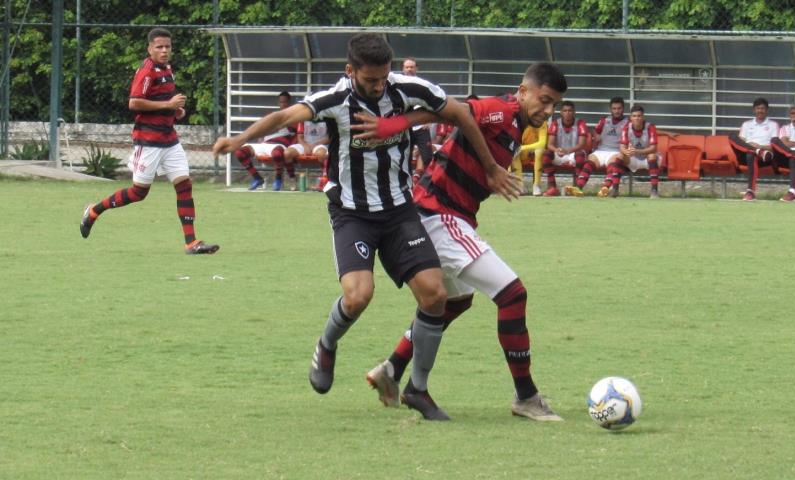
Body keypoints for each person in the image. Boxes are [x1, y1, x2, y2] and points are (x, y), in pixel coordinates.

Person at [212, 33, 520, 420]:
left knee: (435, 295)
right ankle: (326, 344)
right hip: (352, 213)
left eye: (382, 78)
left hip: (399, 212)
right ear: (350, 71)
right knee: (358, 296)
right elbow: (283, 117)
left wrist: (491, 166)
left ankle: (418, 390)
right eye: (369, 79)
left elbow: (458, 112)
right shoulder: (336, 100)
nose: (378, 86)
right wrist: (239, 138)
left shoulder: (406, 88)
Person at [360, 62, 568, 421]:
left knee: (455, 302)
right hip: (438, 214)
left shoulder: (518, 124)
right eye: (544, 100)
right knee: (512, 294)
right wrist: (391, 125)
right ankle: (526, 396)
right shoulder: (500, 111)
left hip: (440, 214)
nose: (547, 111)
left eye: (554, 105)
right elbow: (454, 111)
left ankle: (392, 370)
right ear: (523, 91)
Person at [79, 28, 218, 255]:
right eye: (159, 47)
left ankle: (192, 243)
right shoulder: (147, 71)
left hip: (169, 139)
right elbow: (135, 103)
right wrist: (168, 106)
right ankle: (94, 210)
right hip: (149, 141)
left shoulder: (167, 69)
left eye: (167, 47)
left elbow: (163, 101)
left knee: (184, 185)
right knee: (138, 193)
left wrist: (176, 111)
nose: (164, 51)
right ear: (149, 48)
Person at [232, 92, 299, 191]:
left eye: (285, 102)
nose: (282, 104)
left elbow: (298, 135)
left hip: (279, 145)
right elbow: (261, 128)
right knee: (239, 152)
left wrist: (291, 145)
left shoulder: (294, 118)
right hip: (265, 143)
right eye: (281, 102)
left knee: (277, 153)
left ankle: (278, 178)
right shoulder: (272, 115)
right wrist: (260, 136)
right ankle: (257, 177)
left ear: (289, 103)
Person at [598, 104, 661, 198]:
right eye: (634, 116)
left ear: (643, 117)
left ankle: (654, 191)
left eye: (639, 116)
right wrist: (626, 152)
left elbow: (653, 148)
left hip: (647, 158)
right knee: (619, 156)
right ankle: (615, 189)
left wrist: (637, 151)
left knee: (652, 156)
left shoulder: (650, 127)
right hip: (633, 157)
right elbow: (622, 146)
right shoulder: (627, 127)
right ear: (631, 117)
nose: (637, 118)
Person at [729, 98, 780, 201]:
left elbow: (775, 146)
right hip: (746, 154)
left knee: (751, 155)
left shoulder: (773, 125)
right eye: (758, 108)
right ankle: (753, 150)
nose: (760, 111)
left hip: (764, 156)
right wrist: (752, 147)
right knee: (732, 136)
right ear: (754, 110)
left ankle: (750, 191)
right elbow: (740, 142)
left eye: (762, 108)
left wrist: (760, 147)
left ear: (767, 110)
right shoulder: (746, 124)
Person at [541, 100, 589, 197]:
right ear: (561, 112)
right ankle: (552, 187)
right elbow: (549, 144)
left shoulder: (580, 123)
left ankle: (577, 187)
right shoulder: (555, 124)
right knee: (546, 155)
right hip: (559, 153)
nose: (567, 113)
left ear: (574, 112)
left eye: (570, 111)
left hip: (573, 153)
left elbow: (582, 144)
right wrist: (556, 150)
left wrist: (568, 151)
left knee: (580, 155)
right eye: (565, 111)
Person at [402, 58, 435, 180]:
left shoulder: (423, 84)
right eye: (407, 67)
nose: (409, 69)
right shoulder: (397, 85)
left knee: (427, 157)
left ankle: (429, 185)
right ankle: (408, 185)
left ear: (416, 68)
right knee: (405, 157)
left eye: (412, 67)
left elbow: (432, 103)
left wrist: (429, 119)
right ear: (403, 69)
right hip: (406, 127)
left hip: (421, 127)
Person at [589, 97, 628, 197]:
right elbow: (594, 130)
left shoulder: (628, 122)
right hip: (601, 150)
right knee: (588, 163)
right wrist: (595, 135)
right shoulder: (604, 121)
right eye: (614, 108)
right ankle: (578, 189)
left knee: (615, 163)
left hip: (616, 151)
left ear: (623, 108)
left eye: (619, 108)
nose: (617, 111)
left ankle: (605, 188)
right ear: (610, 109)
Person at [283, 119, 330, 191]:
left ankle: (324, 180)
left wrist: (315, 145)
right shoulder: (303, 119)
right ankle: (292, 179)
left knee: (322, 154)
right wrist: (305, 146)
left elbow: (330, 138)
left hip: (320, 144)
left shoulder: (328, 119)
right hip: (304, 144)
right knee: (287, 153)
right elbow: (300, 137)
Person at [512, 118, 549, 196]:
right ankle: (519, 185)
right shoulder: (518, 122)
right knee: (514, 152)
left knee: (539, 151)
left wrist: (523, 148)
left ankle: (537, 185)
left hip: (537, 153)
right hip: (524, 154)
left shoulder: (541, 121)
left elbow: (542, 143)